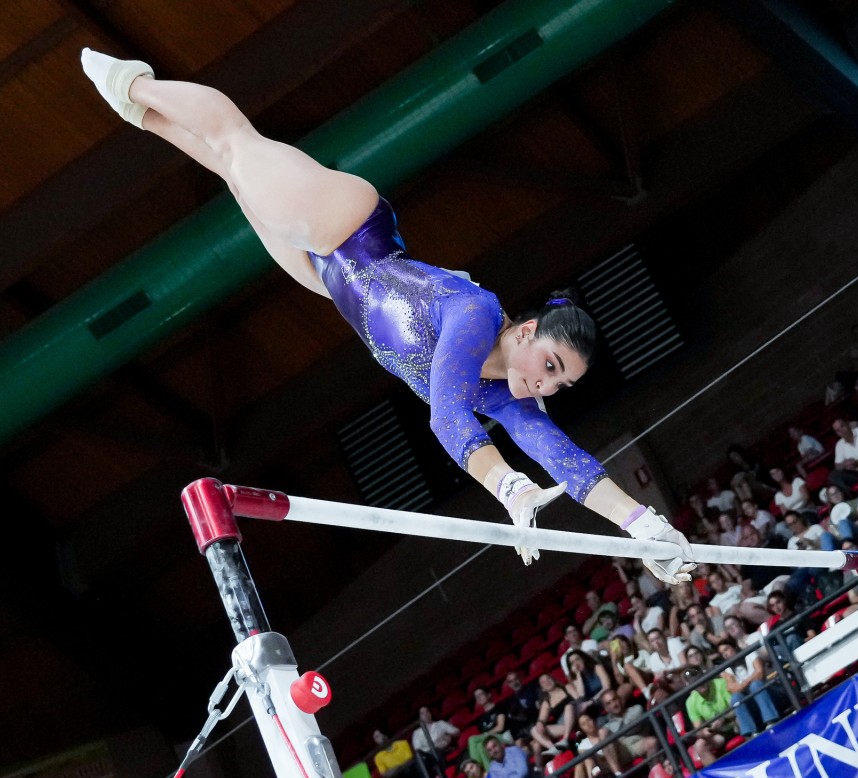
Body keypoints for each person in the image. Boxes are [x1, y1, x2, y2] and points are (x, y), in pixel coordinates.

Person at [76, 50, 697, 579]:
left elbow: (564, 458)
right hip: (347, 227)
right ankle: (134, 82)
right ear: (528, 331)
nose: (548, 386)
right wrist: (509, 486)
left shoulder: (504, 396)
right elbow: (446, 415)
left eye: (561, 385)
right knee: (237, 141)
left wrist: (644, 527)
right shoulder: (476, 313)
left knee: (229, 170)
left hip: (327, 277)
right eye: (552, 366)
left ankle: (141, 112)